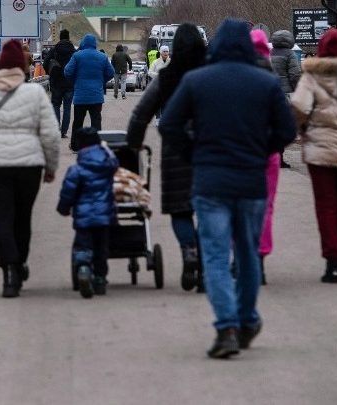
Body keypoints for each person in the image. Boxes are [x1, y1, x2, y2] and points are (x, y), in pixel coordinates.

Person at [159, 19, 296, 359]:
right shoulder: (264, 83)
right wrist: (263, 149)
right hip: (251, 181)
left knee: (217, 255)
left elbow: (169, 125)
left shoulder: (196, 81)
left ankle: (227, 327)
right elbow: (287, 130)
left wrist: (194, 153)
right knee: (247, 253)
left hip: (210, 181)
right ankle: (248, 318)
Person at [0, 40, 60, 298]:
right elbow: (50, 135)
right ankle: (19, 263)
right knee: (22, 217)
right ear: (22, 66)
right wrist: (51, 166)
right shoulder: (35, 94)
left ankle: (8, 269)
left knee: (1, 217)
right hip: (30, 167)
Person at [126, 23, 207, 293]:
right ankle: (206, 265)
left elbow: (141, 114)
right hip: (210, 152)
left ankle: (189, 251)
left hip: (176, 153)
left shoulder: (167, 76)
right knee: (209, 212)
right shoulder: (211, 73)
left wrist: (133, 146)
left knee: (180, 209)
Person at [290, 28, 337, 284]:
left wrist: (304, 127)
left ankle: (332, 260)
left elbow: (299, 106)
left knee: (325, 205)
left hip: (319, 149)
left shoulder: (311, 75)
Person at [57, 127, 119, 299]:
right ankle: (100, 279)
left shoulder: (76, 170)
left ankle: (84, 269)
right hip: (104, 216)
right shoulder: (108, 166)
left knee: (83, 245)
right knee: (101, 249)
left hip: (84, 219)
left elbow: (67, 192)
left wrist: (63, 208)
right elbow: (115, 163)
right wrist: (105, 148)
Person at [251, 29, 280, 286]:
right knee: (266, 206)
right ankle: (259, 257)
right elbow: (286, 125)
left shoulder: (235, 78)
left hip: (239, 152)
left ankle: (241, 257)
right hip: (267, 152)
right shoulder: (272, 80)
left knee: (239, 204)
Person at [64, 34, 114, 152]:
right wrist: (101, 81)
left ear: (83, 43)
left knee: (78, 122)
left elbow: (67, 72)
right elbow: (111, 73)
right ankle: (96, 146)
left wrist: (74, 82)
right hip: (96, 96)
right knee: (96, 122)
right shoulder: (102, 56)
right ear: (95, 44)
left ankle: (76, 146)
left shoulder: (77, 56)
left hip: (80, 96)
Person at [270, 29, 301, 169]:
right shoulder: (290, 54)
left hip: (270, 92)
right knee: (283, 125)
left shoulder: (270, 53)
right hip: (286, 93)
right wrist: (297, 88)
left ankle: (271, 155)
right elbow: (295, 74)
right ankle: (280, 157)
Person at [44, 29, 76, 139]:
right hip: (69, 83)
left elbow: (45, 63)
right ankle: (64, 132)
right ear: (68, 37)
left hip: (56, 82)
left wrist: (51, 73)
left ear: (60, 37)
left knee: (56, 106)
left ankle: (56, 128)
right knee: (67, 108)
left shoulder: (54, 49)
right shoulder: (73, 51)